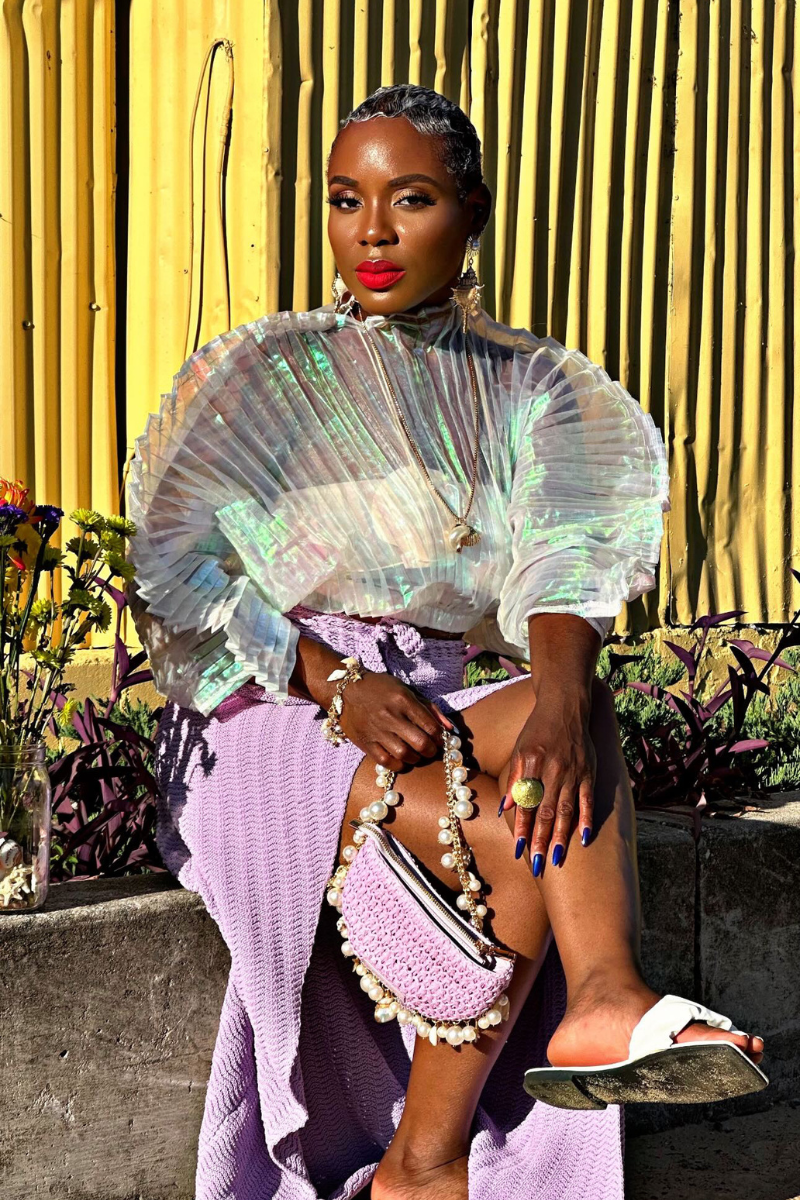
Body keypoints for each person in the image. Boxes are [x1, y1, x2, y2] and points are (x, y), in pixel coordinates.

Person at [127, 85, 765, 1200]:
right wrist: (333, 683)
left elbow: (566, 550)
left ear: (472, 213)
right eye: (345, 200)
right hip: (266, 709)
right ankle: (422, 1164)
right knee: (519, 829)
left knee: (571, 711)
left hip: (428, 698)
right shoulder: (265, 374)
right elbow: (176, 571)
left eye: (410, 199)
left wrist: (558, 700)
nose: (371, 231)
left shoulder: (536, 386)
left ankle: (603, 997)